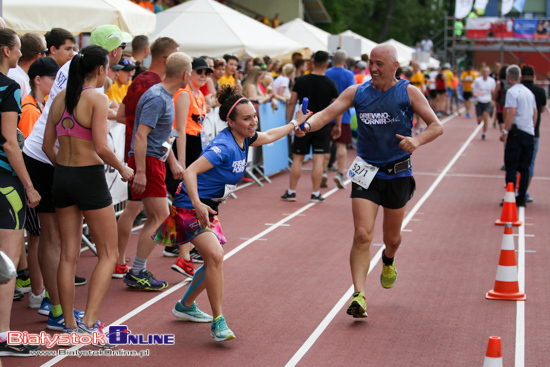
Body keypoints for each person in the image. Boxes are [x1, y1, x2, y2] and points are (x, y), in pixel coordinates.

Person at [152, 85, 312, 341]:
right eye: (247, 119)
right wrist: (197, 203)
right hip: (190, 206)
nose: (253, 122)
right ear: (231, 121)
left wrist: (295, 123)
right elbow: (190, 172)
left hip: (209, 207)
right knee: (215, 257)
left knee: (215, 260)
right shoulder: (223, 147)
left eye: (254, 117)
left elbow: (270, 135)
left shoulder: (246, 138)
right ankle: (218, 322)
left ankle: (184, 306)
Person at [298, 44, 442, 318]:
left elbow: (437, 125)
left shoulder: (408, 91)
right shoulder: (357, 92)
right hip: (366, 172)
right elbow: (327, 115)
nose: (373, 69)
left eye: (379, 64)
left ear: (394, 67)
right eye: (370, 64)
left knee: (392, 237)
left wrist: (417, 140)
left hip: (398, 173)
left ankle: (388, 259)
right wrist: (304, 125)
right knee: (363, 235)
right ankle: (359, 295)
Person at [22, 24, 131, 331]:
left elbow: (45, 146)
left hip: (62, 178)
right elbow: (100, 146)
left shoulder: (58, 100)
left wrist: (65, 169)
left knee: (68, 255)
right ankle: (91, 321)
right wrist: (123, 168)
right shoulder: (96, 98)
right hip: (88, 179)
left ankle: (68, 322)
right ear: (99, 69)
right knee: (108, 254)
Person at [123, 52, 192, 291]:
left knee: (157, 216)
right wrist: (141, 171)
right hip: (148, 162)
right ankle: (137, 271)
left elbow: (159, 135)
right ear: (184, 74)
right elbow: (141, 135)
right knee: (160, 217)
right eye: (191, 71)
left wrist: (171, 161)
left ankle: (137, 270)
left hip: (155, 160)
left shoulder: (165, 96)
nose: (191, 76)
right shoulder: (157, 97)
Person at [113, 37, 179, 279]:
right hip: (143, 157)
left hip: (142, 155)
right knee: (148, 213)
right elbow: (140, 129)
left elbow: (121, 115)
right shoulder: (154, 87)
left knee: (134, 209)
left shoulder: (144, 82)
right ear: (166, 59)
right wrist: (140, 153)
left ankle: (122, 262)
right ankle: (130, 266)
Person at [0, 27, 42, 357]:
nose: (20, 54)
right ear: (6, 51)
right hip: (4, 181)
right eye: (17, 49)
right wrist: (29, 185)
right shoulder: (9, 87)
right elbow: (9, 143)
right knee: (7, 262)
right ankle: (3, 336)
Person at [165, 57, 213, 277]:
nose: (204, 75)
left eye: (207, 72)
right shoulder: (184, 94)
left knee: (186, 202)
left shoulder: (199, 94)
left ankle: (182, 250)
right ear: (189, 72)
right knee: (185, 201)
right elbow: (180, 130)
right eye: (199, 71)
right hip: (184, 148)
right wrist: (182, 162)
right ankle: (183, 253)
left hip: (196, 147)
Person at [281, 51, 340, 203]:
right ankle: (315, 193)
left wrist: (289, 123)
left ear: (312, 62)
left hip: (302, 124)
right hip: (322, 125)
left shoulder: (301, 80)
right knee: (318, 160)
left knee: (298, 159)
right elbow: (338, 106)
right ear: (327, 64)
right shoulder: (330, 83)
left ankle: (292, 191)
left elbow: (293, 101)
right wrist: (338, 125)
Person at [499, 65, 536, 207]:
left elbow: (511, 112)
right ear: (519, 77)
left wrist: (505, 131)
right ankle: (522, 197)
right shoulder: (529, 93)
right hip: (529, 132)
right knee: (524, 167)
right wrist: (531, 127)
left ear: (508, 78)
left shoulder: (511, 92)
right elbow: (535, 113)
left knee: (511, 166)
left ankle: (510, 196)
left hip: (516, 133)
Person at [325, 49, 356, 189]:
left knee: (327, 144)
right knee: (342, 145)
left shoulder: (327, 73)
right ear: (345, 60)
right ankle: (339, 173)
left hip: (327, 114)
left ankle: (323, 171)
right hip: (344, 114)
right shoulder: (349, 74)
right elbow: (354, 92)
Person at [519, 65, 546, 203]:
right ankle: (524, 192)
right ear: (534, 76)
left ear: (521, 76)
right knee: (529, 164)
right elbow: (541, 109)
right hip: (534, 132)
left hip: (517, 132)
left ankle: (513, 191)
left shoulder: (516, 90)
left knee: (514, 163)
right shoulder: (540, 91)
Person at [7, 33, 47, 99]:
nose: (46, 56)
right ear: (38, 56)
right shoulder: (18, 79)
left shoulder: (20, 75)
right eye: (45, 52)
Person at [472, 66, 496, 140]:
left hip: (487, 101)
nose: (485, 73)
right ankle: (480, 120)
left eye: (487, 71)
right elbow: (472, 87)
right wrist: (474, 94)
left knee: (486, 117)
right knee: (479, 119)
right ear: (482, 72)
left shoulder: (492, 81)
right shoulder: (477, 80)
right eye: (484, 71)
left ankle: (484, 133)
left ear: (489, 73)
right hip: (479, 101)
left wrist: (493, 100)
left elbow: (494, 91)